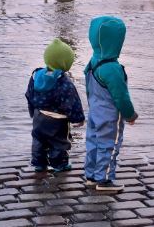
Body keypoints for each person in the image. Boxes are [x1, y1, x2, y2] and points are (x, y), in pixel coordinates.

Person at [84, 16, 138, 192]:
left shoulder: (92, 63)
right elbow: (121, 96)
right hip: (109, 117)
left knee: (93, 143)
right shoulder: (112, 69)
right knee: (109, 145)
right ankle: (104, 179)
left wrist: (92, 106)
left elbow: (89, 89)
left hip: (94, 112)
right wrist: (130, 114)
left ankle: (91, 175)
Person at [25, 38, 85, 173]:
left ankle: (39, 163)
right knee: (59, 143)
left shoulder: (35, 76)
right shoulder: (64, 82)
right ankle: (59, 164)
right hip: (58, 121)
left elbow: (29, 95)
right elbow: (72, 102)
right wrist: (78, 119)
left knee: (38, 141)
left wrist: (32, 111)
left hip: (38, 117)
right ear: (65, 63)